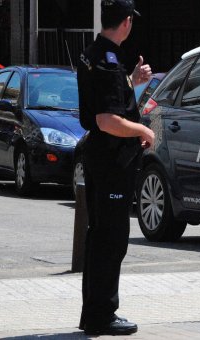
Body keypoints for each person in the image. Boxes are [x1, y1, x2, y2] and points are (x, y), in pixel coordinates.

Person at [76, 0, 153, 335]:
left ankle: (93, 312)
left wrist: (132, 82)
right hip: (110, 160)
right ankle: (102, 314)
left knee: (99, 237)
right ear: (126, 22)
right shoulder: (108, 61)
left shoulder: (94, 54)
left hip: (99, 157)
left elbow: (110, 103)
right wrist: (143, 130)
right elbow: (107, 120)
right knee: (112, 238)